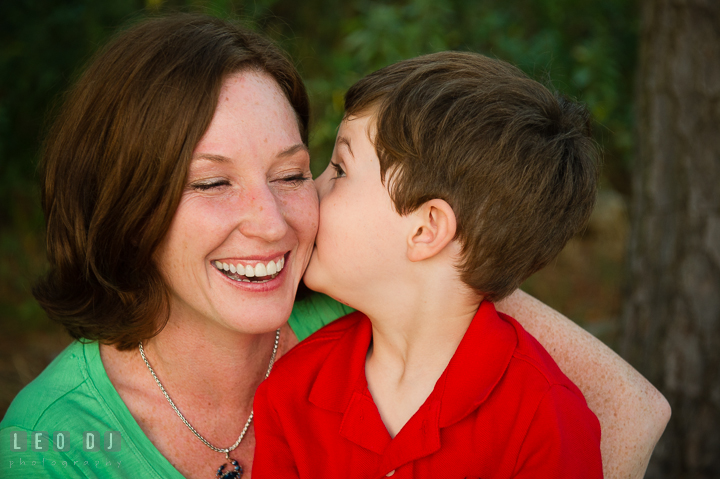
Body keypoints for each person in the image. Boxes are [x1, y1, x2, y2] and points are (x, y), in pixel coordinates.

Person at [0, 14, 668, 479]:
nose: (276, 221)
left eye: (293, 172)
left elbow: (631, 410)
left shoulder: (375, 302)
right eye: (211, 182)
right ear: (127, 203)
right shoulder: (54, 442)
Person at [252, 52, 631, 478]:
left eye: (339, 169)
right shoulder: (291, 392)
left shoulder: (543, 417)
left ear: (426, 229)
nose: (310, 191)